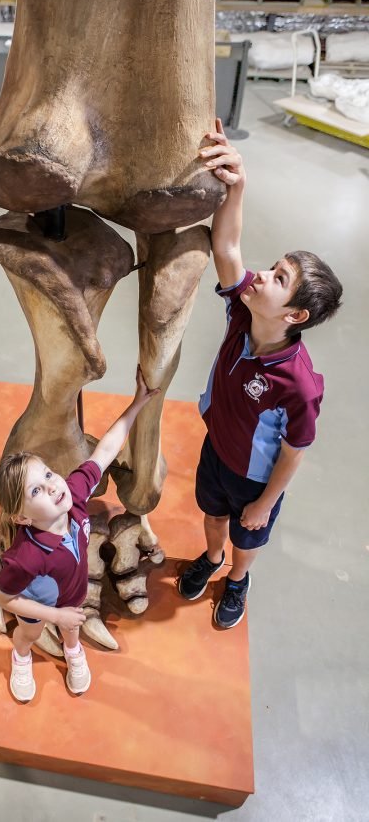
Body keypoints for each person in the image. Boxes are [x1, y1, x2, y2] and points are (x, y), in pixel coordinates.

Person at [177, 119, 343, 629]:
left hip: (255, 479)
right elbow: (226, 248)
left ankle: (238, 579)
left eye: (278, 278)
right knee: (212, 516)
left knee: (247, 534)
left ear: (295, 316)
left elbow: (295, 451)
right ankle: (211, 558)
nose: (261, 276)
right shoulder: (246, 311)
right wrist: (238, 183)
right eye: (272, 266)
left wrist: (266, 503)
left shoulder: (297, 382)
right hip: (216, 450)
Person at [0, 368, 159, 702]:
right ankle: (21, 657)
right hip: (38, 605)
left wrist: (137, 404)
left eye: (49, 474)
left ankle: (73, 651)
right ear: (21, 516)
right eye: (37, 489)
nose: (53, 485)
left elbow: (106, 450)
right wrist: (52, 615)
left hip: (73, 595)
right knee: (29, 633)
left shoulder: (74, 492)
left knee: (72, 627)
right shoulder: (25, 557)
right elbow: (3, 598)